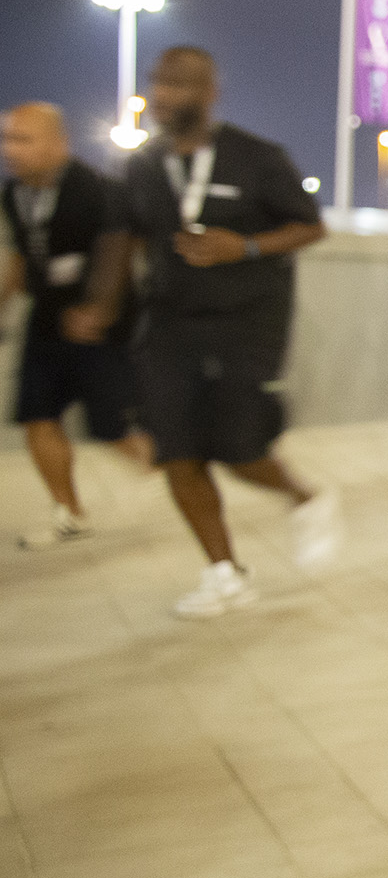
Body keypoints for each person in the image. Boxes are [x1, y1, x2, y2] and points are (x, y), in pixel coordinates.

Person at [121, 47, 341, 616]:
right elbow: (128, 243)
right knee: (178, 453)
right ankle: (224, 572)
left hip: (247, 325)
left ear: (209, 91)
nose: (166, 95)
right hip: (170, 327)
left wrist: (241, 246)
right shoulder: (144, 167)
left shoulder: (256, 159)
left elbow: (311, 227)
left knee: (240, 451)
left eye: (181, 84)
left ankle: (304, 498)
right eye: (160, 83)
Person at [2, 102, 146, 547]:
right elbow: (21, 257)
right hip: (47, 322)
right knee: (37, 416)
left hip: (102, 328)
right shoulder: (13, 194)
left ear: (58, 144)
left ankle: (180, 462)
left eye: (23, 139)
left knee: (112, 431)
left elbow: (121, 245)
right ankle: (69, 512)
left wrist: (99, 309)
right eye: (7, 139)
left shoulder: (96, 189)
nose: (11, 149)